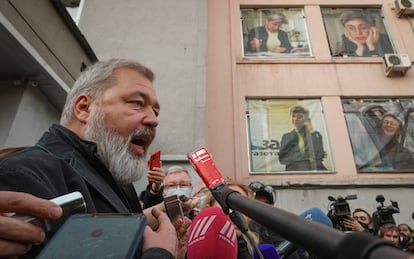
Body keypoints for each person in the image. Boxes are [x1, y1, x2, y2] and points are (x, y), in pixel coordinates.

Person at [0, 59, 191, 258]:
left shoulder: (115, 179)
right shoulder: (26, 173)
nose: (153, 120)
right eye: (137, 103)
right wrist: (159, 254)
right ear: (84, 108)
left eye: (155, 111)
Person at [278, 105, 327, 171]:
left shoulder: (316, 135)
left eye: (299, 117)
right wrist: (306, 158)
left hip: (315, 170)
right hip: (294, 170)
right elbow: (282, 159)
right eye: (293, 116)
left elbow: (318, 156)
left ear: (306, 119)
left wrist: (311, 131)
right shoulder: (286, 137)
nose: (295, 119)